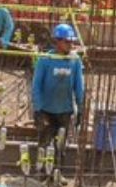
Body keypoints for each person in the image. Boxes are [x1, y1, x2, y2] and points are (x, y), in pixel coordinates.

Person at [30, 24, 85, 163]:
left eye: (72, 41)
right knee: (44, 143)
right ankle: (42, 172)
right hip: (46, 110)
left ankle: (57, 172)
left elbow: (79, 86)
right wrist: (37, 109)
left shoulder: (75, 60)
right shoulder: (45, 60)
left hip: (65, 110)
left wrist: (81, 108)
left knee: (60, 144)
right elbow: (36, 85)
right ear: (58, 41)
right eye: (67, 42)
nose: (70, 45)